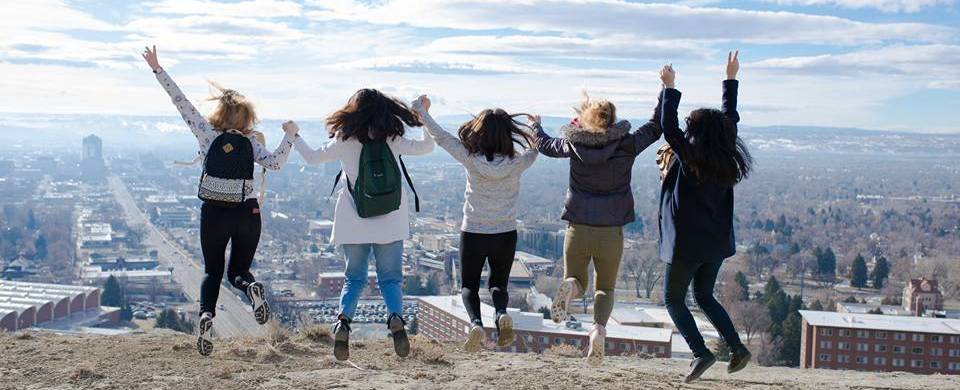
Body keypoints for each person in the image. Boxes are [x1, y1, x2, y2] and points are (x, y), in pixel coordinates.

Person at [142, 46, 298, 356]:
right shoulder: (252, 142)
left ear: (218, 114)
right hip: (248, 212)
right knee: (239, 270)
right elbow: (276, 164)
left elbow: (181, 103)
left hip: (214, 212)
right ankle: (250, 288)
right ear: (247, 117)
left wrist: (158, 69)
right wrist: (290, 135)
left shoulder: (207, 134)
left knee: (213, 271)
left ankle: (205, 316)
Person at [290, 89, 434, 361]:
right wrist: (424, 117)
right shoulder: (393, 137)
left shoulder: (345, 139)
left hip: (353, 220)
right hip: (390, 221)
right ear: (384, 109)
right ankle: (396, 319)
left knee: (353, 278)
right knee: (390, 278)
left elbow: (311, 157)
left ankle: (343, 322)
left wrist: (294, 135)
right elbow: (427, 147)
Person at [536, 90, 662, 365]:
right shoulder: (626, 144)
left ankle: (568, 290)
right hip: (610, 231)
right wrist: (666, 89)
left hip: (578, 228)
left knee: (577, 280)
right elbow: (655, 128)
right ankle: (598, 331)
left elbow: (545, 145)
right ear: (612, 119)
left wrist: (537, 126)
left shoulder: (574, 145)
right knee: (605, 287)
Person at [411, 95, 538, 352]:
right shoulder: (518, 163)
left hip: (474, 232)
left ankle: (476, 324)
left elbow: (442, 137)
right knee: (498, 284)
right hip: (505, 233)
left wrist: (421, 111)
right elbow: (535, 149)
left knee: (469, 285)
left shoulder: (470, 158)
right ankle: (501, 313)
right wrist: (536, 127)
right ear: (507, 134)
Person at [657, 51, 754, 383]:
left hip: (687, 246)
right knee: (703, 296)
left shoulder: (691, 158)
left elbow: (668, 127)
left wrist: (669, 87)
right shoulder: (726, 159)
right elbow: (729, 118)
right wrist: (730, 79)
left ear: (696, 133)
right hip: (715, 245)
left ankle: (701, 353)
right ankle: (737, 348)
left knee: (672, 299)